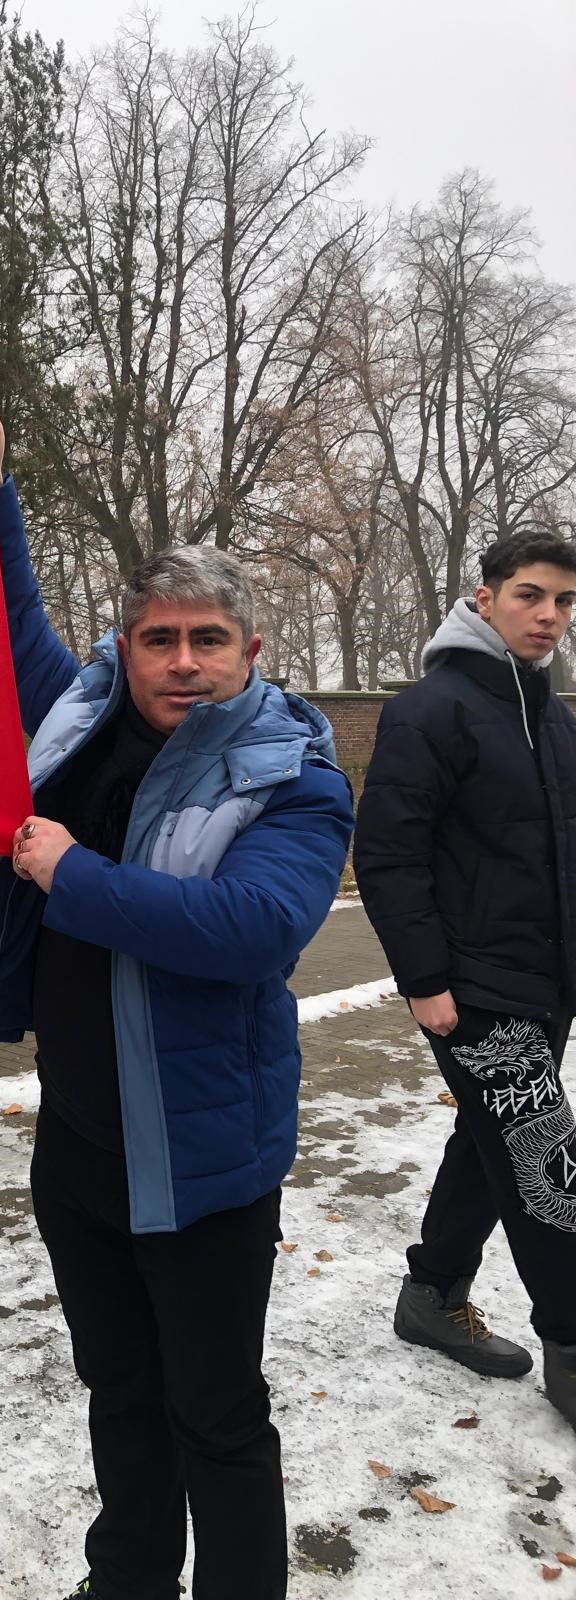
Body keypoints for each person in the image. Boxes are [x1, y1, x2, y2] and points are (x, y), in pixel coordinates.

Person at [0, 395, 354, 1600]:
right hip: (81, 1144)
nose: (181, 661)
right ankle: (125, 1577)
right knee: (117, 1391)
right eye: (158, 637)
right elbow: (14, 628)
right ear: (126, 647)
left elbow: (251, 931)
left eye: (207, 638)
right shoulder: (84, 714)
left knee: (215, 1413)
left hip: (207, 1163)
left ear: (250, 651)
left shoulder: (299, 778)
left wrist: (74, 873)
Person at [353, 532, 576, 1431]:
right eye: (531, 595)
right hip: (474, 990)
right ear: (483, 599)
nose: (550, 616)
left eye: (563, 602)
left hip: (542, 982)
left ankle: (431, 1292)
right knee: (548, 1168)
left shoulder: (553, 715)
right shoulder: (430, 710)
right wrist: (425, 980)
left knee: (492, 1146)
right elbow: (390, 855)